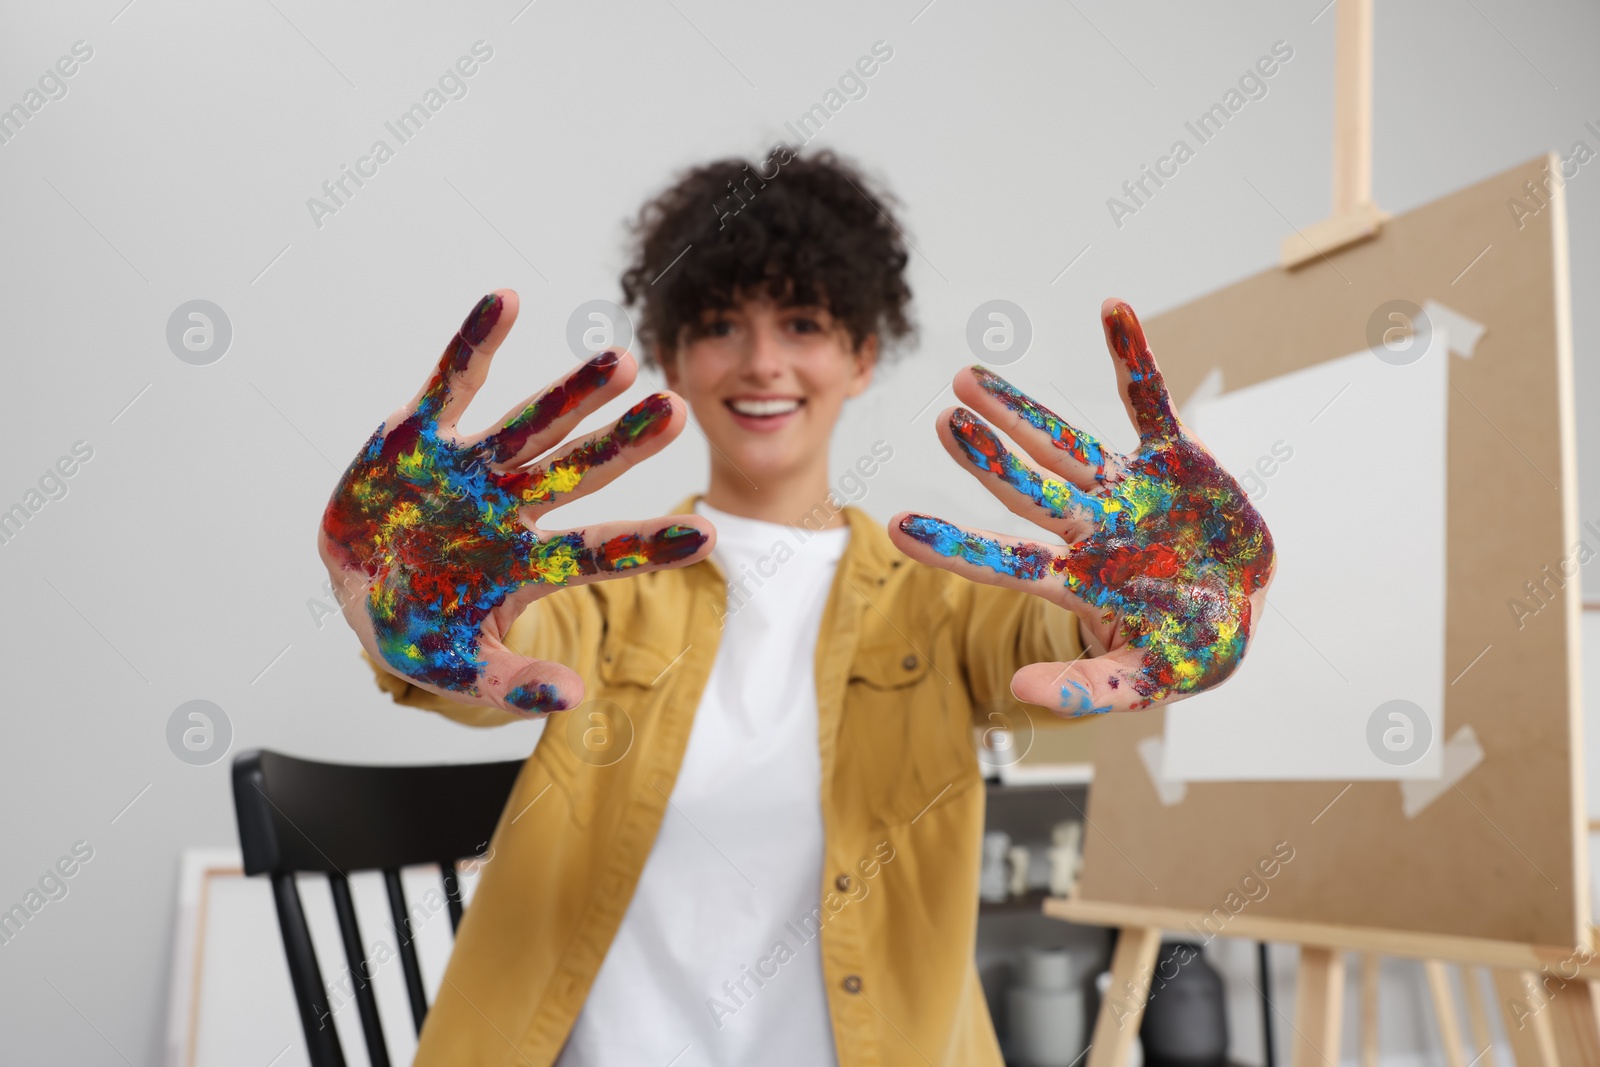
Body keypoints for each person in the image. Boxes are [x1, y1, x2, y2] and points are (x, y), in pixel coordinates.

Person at [318, 148, 1274, 1066]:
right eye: (722, 324)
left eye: (806, 324)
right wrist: (421, 599)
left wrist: (1147, 608)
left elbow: (1047, 635)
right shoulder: (605, 583)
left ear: (861, 356)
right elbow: (502, 652)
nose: (763, 361)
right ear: (672, 354)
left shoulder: (937, 595)